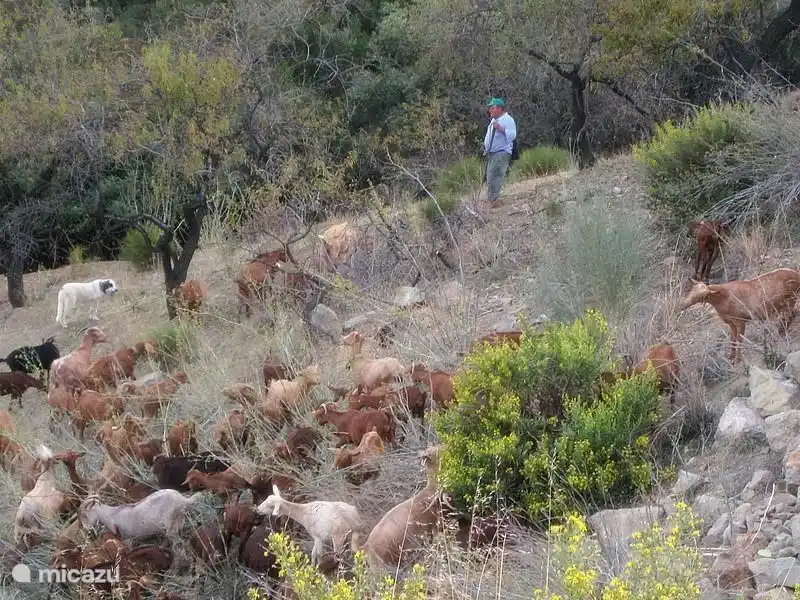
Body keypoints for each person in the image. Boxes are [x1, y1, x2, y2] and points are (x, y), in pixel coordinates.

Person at [483, 97, 517, 203]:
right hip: (492, 153)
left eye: (492, 108)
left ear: (500, 109)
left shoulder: (508, 119)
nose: (490, 110)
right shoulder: (494, 120)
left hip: (501, 152)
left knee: (496, 175)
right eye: (490, 108)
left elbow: (513, 135)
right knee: (490, 175)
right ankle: (491, 199)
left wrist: (500, 129)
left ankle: (494, 200)